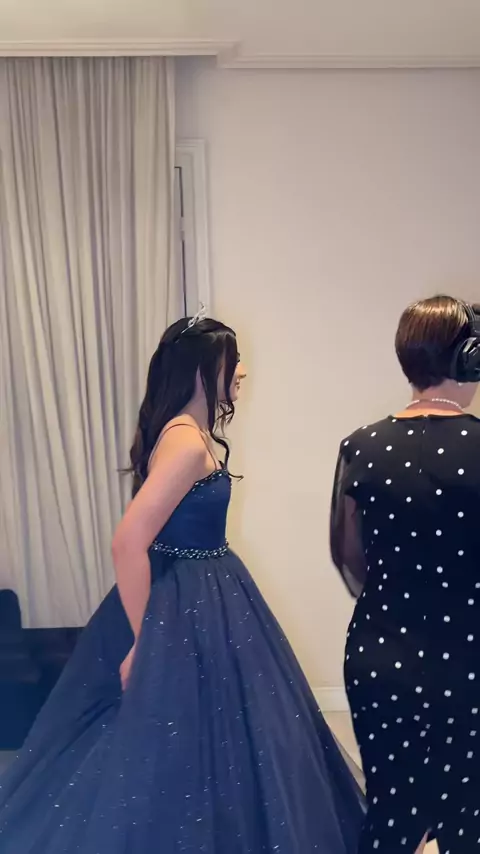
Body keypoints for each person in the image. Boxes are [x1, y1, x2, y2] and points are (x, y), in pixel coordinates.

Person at [0, 311, 364, 853]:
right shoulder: (186, 443)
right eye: (233, 361)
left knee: (223, 738)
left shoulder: (189, 434)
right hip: (184, 600)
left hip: (207, 590)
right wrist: (144, 639)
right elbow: (128, 541)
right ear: (203, 370)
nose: (242, 372)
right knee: (181, 741)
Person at [330, 294, 480, 854]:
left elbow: (349, 556)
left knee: (392, 814)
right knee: (467, 815)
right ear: (468, 358)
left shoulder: (361, 446)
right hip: (468, 657)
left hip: (380, 654)